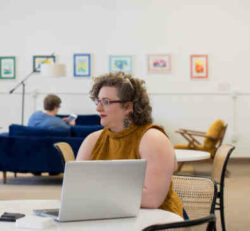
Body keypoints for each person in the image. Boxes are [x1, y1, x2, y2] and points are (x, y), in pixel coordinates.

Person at [76, 72, 183, 218]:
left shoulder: (152, 139)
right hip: (109, 216)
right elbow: (76, 190)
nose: (98, 109)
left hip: (157, 220)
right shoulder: (92, 140)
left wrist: (95, 192)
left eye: (106, 102)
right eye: (98, 101)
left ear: (128, 106)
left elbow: (152, 200)